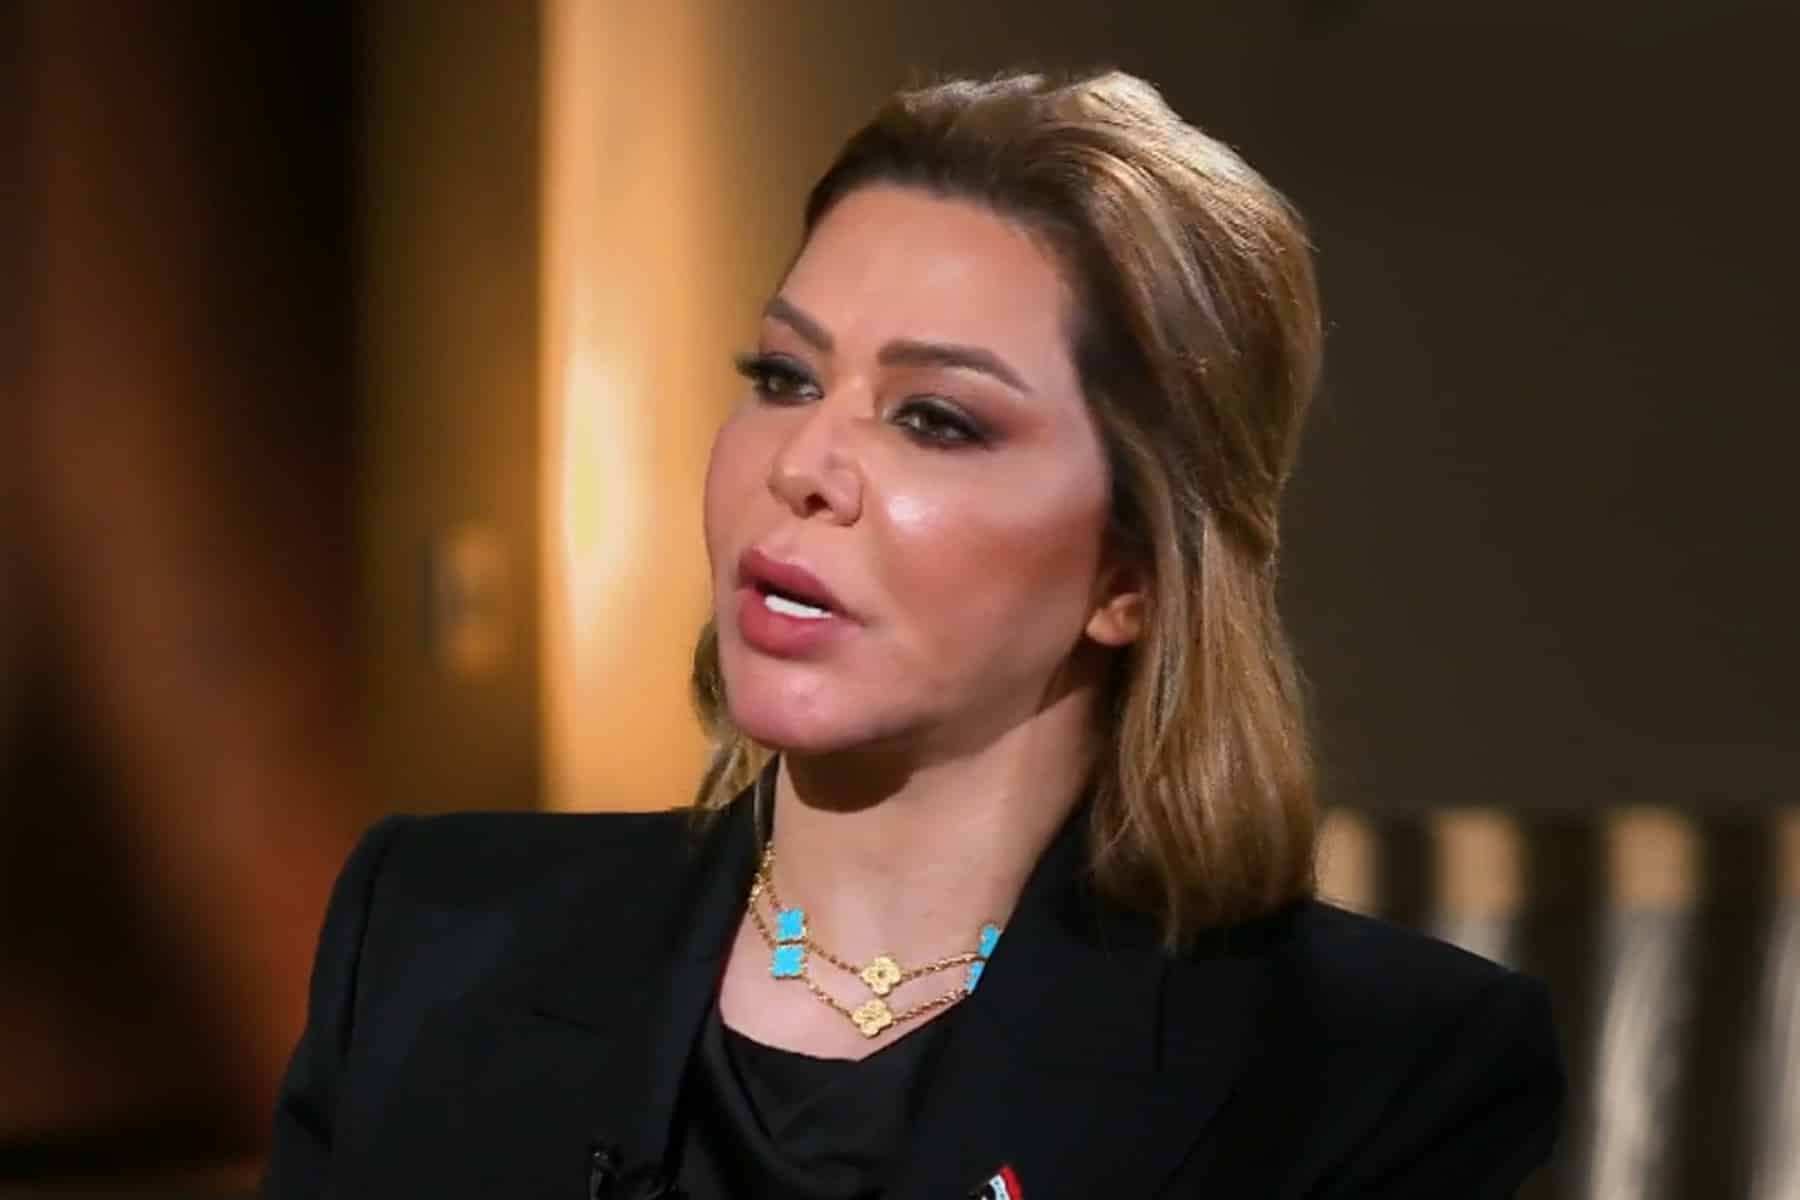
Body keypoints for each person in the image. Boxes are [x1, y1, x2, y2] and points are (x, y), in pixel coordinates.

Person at [263, 69, 1563, 1199]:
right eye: (784, 378)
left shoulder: (1380, 1070)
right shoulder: (429, 934)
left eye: (934, 418)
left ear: (1133, 572)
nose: (803, 465)